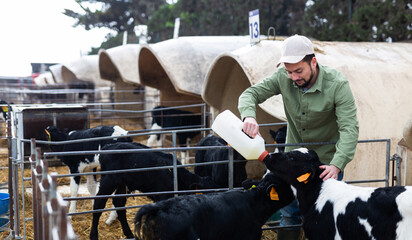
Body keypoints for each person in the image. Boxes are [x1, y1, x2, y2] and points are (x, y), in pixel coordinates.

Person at [238, 34, 359, 240]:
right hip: (290, 165)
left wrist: (337, 165)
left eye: (299, 71)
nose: (294, 77)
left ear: (313, 61)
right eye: (289, 72)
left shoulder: (337, 84)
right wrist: (249, 115)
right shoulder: (283, 78)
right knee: (290, 214)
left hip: (325, 167)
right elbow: (249, 94)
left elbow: (350, 128)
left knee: (324, 218)